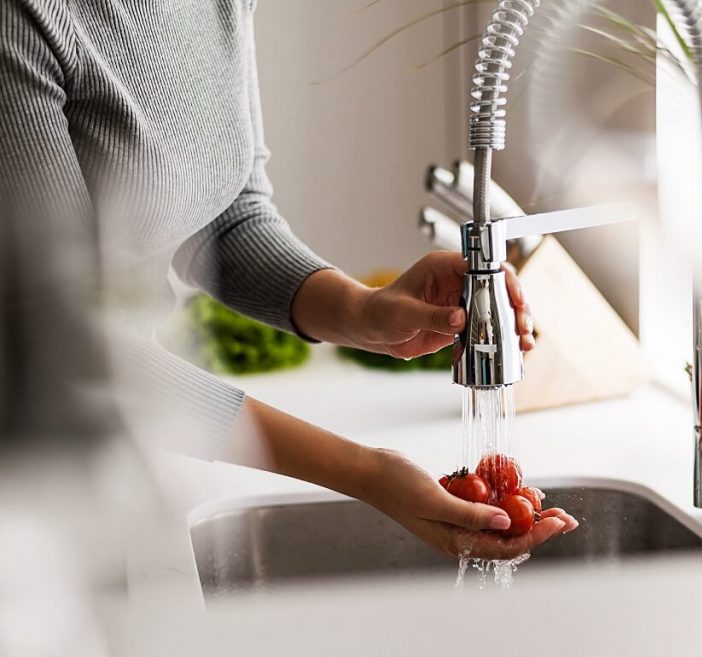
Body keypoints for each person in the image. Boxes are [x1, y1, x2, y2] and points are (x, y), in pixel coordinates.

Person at [0, 0, 577, 559]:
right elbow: (62, 349)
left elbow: (228, 217)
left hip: (119, 462)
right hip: (27, 498)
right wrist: (366, 472)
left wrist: (366, 311)